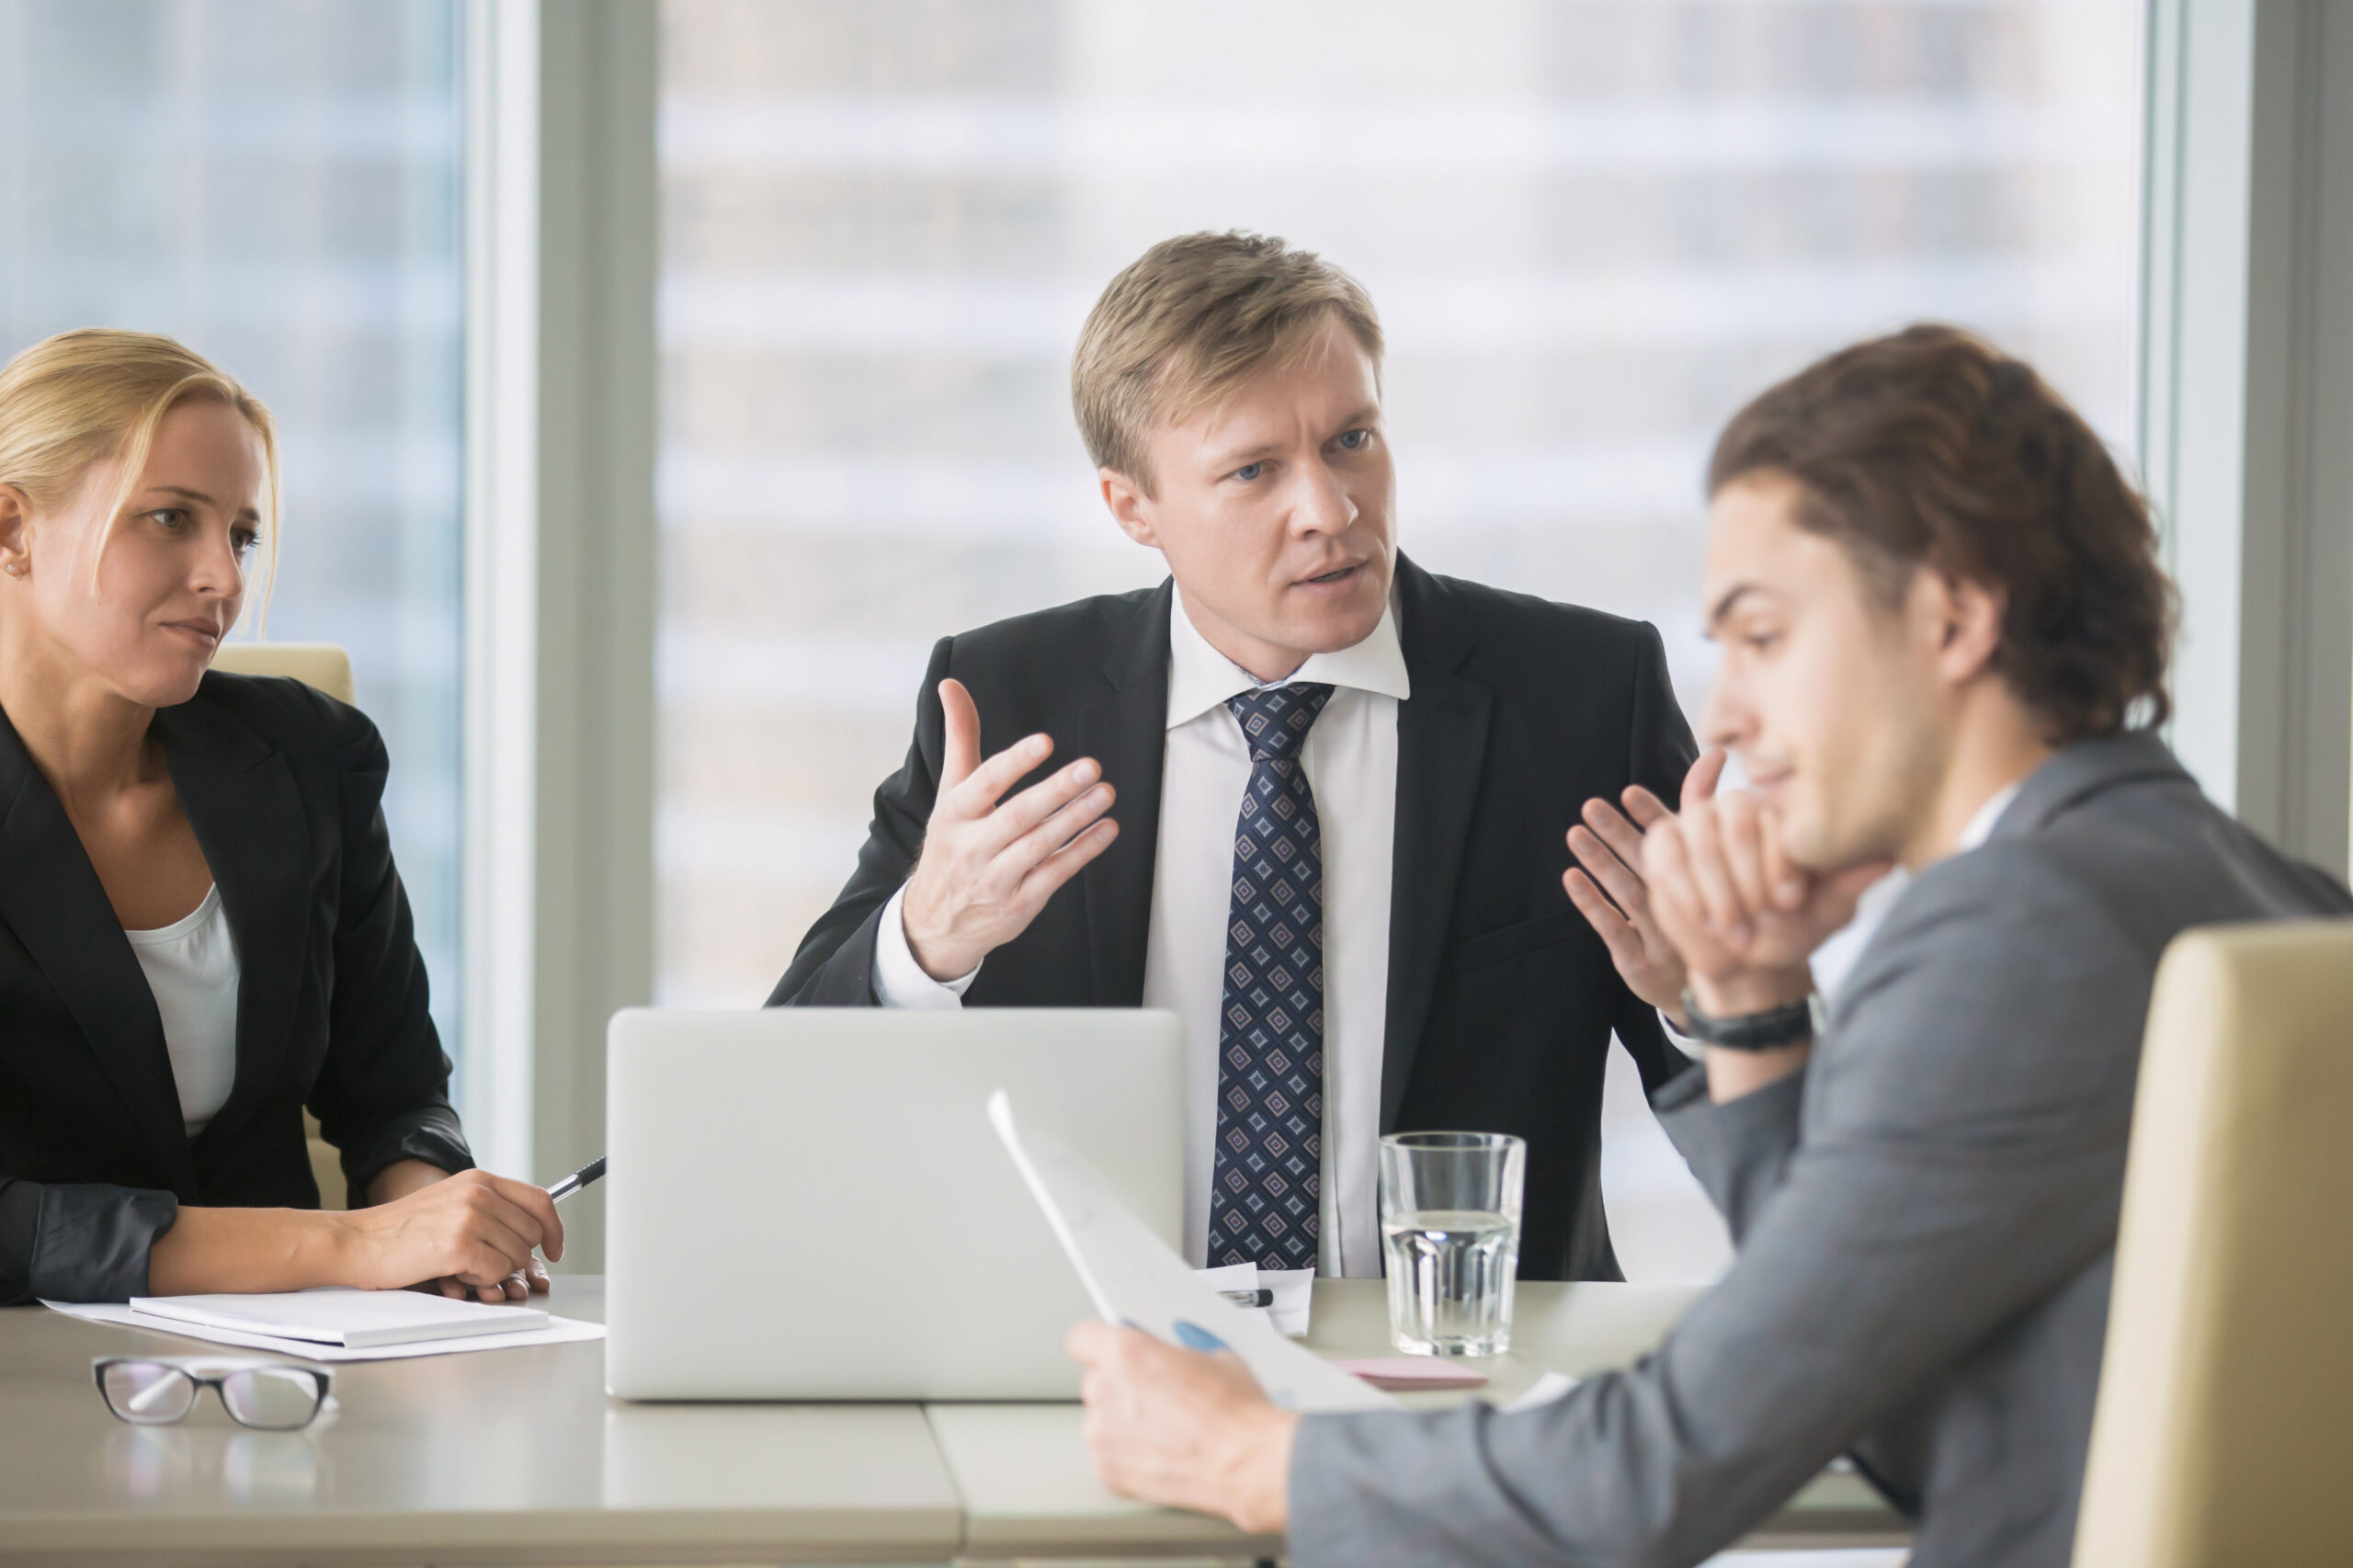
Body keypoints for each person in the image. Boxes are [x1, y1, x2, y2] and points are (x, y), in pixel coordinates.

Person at [1061, 324, 2353, 1567]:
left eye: (1765, 635)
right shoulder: (2263, 893)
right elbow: (1866, 1380)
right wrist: (1748, 1010)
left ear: (1953, 623)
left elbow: (1657, 1470)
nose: (1729, 711)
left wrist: (1249, 1458)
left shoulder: (2014, 936)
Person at [771, 231, 1700, 1283]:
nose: (1331, 510)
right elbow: (784, 1099)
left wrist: (1708, 997)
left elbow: (1766, 1140)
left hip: (1470, 1390)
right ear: (1134, 507)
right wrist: (923, 943)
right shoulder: (1012, 705)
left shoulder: (1579, 694)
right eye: (1254, 469)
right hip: (1094, 1382)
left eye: (1351, 439)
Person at [0, 329, 563, 1307]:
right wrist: (353, 1242)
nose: (224, 577)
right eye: (171, 518)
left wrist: (434, 1231)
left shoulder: (310, 758)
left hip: (292, 1371)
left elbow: (394, 1093)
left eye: (243, 534)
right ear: (11, 529)